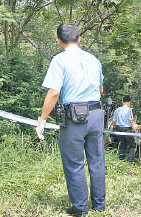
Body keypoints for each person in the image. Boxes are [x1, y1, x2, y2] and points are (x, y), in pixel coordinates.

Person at [35, 23, 105, 217]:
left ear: (59, 41)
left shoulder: (59, 60)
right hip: (97, 114)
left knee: (74, 163)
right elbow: (101, 89)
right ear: (79, 39)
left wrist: (42, 120)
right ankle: (99, 206)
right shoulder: (94, 60)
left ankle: (80, 209)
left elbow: (53, 92)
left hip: (75, 117)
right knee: (97, 161)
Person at [110, 95, 135, 162]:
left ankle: (121, 159)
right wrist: (135, 129)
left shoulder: (117, 110)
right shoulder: (129, 110)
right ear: (129, 102)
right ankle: (130, 160)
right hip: (127, 130)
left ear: (122, 101)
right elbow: (131, 120)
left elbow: (114, 122)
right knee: (132, 145)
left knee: (122, 144)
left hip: (119, 129)